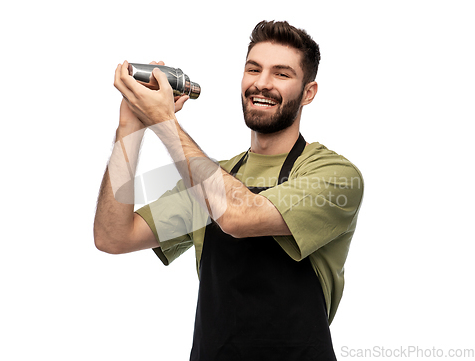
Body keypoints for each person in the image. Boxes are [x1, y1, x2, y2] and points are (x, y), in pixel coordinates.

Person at [94, 20, 364, 361]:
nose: (262, 83)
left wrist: (165, 122)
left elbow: (237, 216)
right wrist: (130, 126)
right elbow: (113, 236)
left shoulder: (334, 175)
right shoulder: (209, 179)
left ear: (308, 92)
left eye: (281, 74)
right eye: (254, 69)